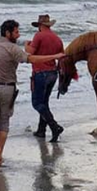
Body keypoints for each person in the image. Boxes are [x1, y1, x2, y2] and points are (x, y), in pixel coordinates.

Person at [0, 20, 65, 166]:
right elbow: (31, 58)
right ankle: (0, 152)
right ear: (7, 33)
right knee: (4, 121)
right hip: (9, 89)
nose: (19, 35)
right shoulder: (13, 48)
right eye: (16, 32)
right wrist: (54, 57)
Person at [25, 14, 65, 142]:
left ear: (40, 25)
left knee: (37, 103)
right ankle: (41, 130)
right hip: (53, 73)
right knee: (44, 102)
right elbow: (62, 57)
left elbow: (29, 53)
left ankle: (54, 126)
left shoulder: (39, 36)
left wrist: (26, 45)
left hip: (40, 73)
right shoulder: (57, 38)